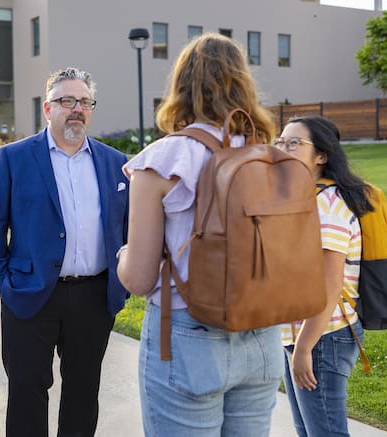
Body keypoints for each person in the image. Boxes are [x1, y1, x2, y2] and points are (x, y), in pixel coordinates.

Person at [116, 33, 283, 436]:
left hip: (189, 336)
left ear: (181, 86)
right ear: (244, 82)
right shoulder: (269, 154)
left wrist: (123, 255)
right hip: (262, 334)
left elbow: (139, 278)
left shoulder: (162, 160)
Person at [0, 67, 130, 437]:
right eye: (67, 100)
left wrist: (121, 285)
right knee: (27, 394)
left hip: (94, 297)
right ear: (48, 109)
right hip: (30, 296)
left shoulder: (115, 162)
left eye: (84, 101)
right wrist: (2, 285)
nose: (76, 108)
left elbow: (126, 228)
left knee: (83, 394)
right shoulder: (14, 157)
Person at [276, 115, 371, 437]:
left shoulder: (326, 205)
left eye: (294, 143)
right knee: (309, 430)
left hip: (322, 336)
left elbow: (329, 287)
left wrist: (303, 349)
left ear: (321, 156)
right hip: (302, 335)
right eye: (281, 142)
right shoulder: (304, 197)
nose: (283, 149)